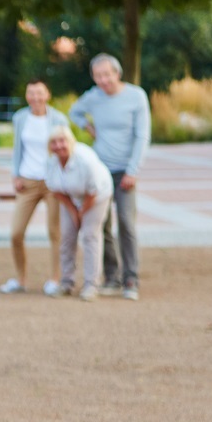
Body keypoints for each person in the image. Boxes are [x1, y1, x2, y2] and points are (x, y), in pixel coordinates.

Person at [68, 53, 151, 301]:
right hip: (100, 171)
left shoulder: (136, 96)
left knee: (126, 222)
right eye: (98, 76)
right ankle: (112, 276)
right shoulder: (94, 97)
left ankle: (130, 277)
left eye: (107, 75)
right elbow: (74, 112)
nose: (103, 81)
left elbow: (142, 136)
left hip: (125, 171)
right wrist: (87, 126)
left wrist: (133, 170)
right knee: (101, 224)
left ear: (118, 73)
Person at [1, 79, 68, 296]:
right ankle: (20, 279)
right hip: (28, 182)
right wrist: (15, 175)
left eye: (39, 93)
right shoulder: (20, 118)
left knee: (54, 232)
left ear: (47, 94)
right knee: (16, 233)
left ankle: (55, 279)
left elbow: (65, 150)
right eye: (31, 93)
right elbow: (17, 149)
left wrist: (64, 179)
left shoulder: (58, 119)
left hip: (52, 184)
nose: (35, 98)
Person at [44, 125, 114, 301]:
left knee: (90, 235)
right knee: (67, 236)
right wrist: (73, 211)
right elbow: (55, 190)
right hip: (71, 197)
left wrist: (82, 212)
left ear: (70, 142)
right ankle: (66, 283)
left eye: (62, 141)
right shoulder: (51, 162)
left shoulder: (85, 160)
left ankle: (91, 285)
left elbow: (93, 191)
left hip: (97, 196)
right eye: (54, 142)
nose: (59, 146)